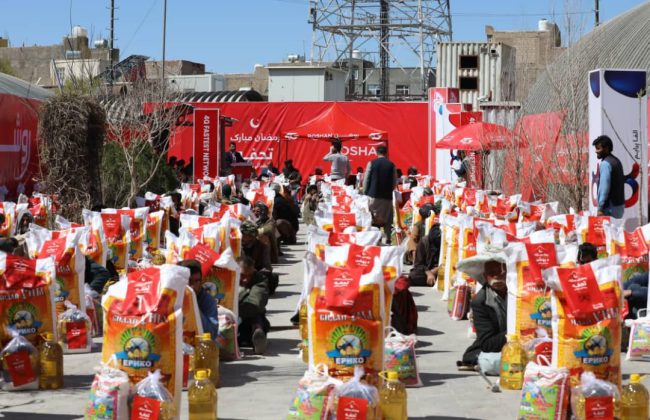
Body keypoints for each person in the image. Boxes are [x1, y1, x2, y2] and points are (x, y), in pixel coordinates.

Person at [461, 260, 508, 369]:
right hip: (498, 347)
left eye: (501, 273)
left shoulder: (521, 293)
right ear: (485, 276)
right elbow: (488, 344)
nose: (497, 276)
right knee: (491, 361)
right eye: (492, 273)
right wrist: (516, 331)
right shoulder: (480, 301)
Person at [363, 144, 397, 244]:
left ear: (376, 152)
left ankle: (373, 241)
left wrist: (365, 192)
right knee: (387, 220)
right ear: (386, 153)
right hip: (387, 197)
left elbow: (366, 179)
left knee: (372, 219)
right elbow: (394, 182)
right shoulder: (392, 165)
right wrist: (389, 190)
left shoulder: (371, 163)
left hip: (373, 195)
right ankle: (387, 240)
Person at [177, 259, 220, 339]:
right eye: (189, 281)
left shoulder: (208, 301)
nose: (193, 286)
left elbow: (212, 335)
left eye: (197, 281)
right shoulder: (172, 296)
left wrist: (194, 307)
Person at [238, 256, 270, 354]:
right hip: (230, 322)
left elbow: (256, 303)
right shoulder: (227, 279)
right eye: (242, 275)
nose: (245, 280)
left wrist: (234, 309)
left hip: (249, 320)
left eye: (249, 276)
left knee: (256, 315)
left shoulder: (260, 279)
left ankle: (257, 333)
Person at [408, 203, 442, 287]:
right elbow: (419, 263)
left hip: (439, 268)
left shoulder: (443, 235)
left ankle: (432, 280)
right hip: (425, 266)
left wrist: (435, 271)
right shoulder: (424, 239)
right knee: (413, 276)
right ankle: (431, 280)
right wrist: (429, 273)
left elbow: (446, 262)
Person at [593, 135, 625, 218]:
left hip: (609, 209)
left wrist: (600, 208)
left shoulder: (605, 164)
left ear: (606, 148)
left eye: (598, 148)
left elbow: (604, 188)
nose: (596, 151)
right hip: (619, 207)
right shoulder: (616, 161)